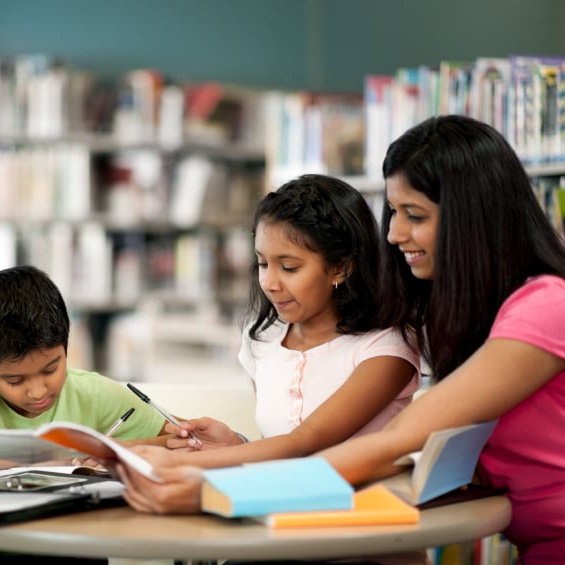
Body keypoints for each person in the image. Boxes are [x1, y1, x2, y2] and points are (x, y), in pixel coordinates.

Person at [122, 116, 565, 564]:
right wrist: (231, 457)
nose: (392, 234)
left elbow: (390, 443)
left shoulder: (546, 307)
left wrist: (215, 489)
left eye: (414, 215)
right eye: (394, 213)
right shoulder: (471, 316)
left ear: (474, 216)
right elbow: (395, 458)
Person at [114, 174, 420, 509]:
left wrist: (184, 464)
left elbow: (305, 442)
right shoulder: (262, 341)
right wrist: (235, 444)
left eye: (289, 267)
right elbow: (278, 451)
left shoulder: (386, 348)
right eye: (262, 263)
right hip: (275, 517)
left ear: (341, 268)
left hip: (359, 531)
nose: (269, 283)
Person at [0, 265, 170, 563]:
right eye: (15, 381)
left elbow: (172, 440)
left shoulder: (92, 392)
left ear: (67, 345)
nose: (39, 392)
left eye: (51, 368)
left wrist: (114, 453)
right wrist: (43, 464)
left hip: (66, 546)